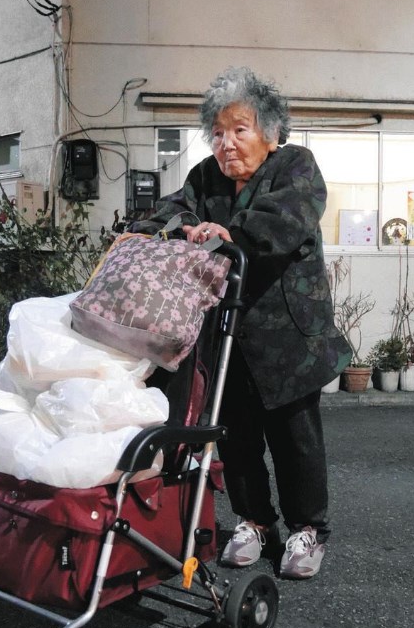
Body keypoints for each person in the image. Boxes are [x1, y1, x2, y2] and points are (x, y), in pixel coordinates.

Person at [131, 65, 352, 579]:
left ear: (270, 134)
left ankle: (308, 528)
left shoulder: (295, 167)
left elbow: (284, 222)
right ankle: (255, 521)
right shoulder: (204, 177)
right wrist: (175, 228)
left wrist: (225, 233)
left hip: (288, 336)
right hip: (225, 335)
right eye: (218, 131)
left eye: (240, 129)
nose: (226, 143)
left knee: (295, 437)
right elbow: (165, 214)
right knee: (234, 436)